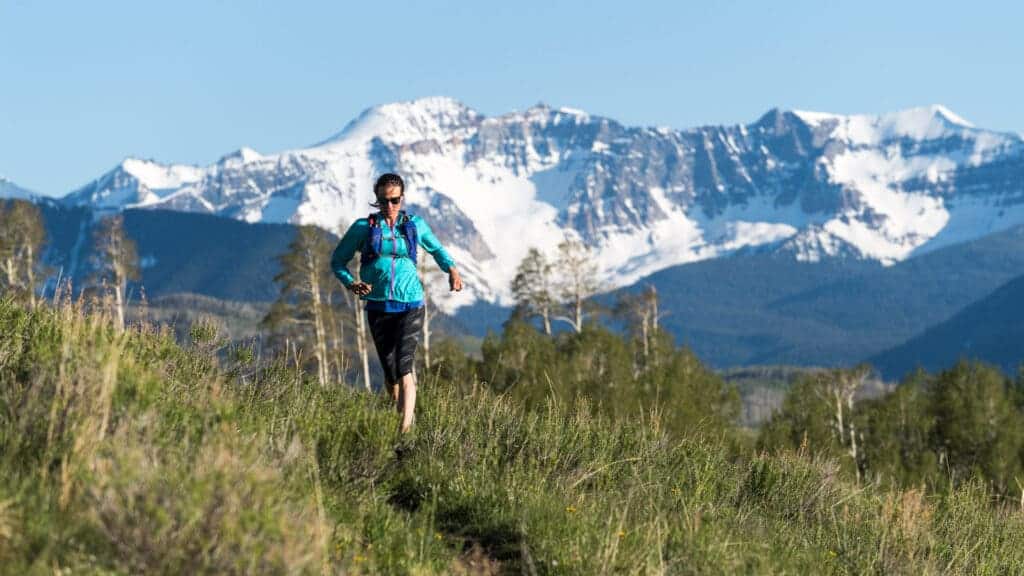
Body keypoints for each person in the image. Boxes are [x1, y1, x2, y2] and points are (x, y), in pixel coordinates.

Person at [330, 173, 463, 434]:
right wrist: (350, 283)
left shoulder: (415, 225)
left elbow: (437, 250)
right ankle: (396, 415)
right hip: (378, 308)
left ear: (401, 199)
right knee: (390, 373)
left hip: (411, 305)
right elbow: (337, 261)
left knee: (405, 366)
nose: (389, 206)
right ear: (376, 201)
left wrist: (452, 271)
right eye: (383, 201)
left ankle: (405, 430)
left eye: (394, 200)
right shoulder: (363, 228)